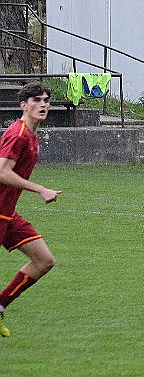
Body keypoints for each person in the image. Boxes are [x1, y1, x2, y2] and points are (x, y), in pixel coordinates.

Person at [0, 81, 62, 337]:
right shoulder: (18, 134)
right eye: (36, 100)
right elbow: (2, 172)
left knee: (44, 260)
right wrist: (39, 189)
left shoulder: (32, 135)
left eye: (46, 100)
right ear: (23, 105)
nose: (43, 104)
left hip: (7, 213)